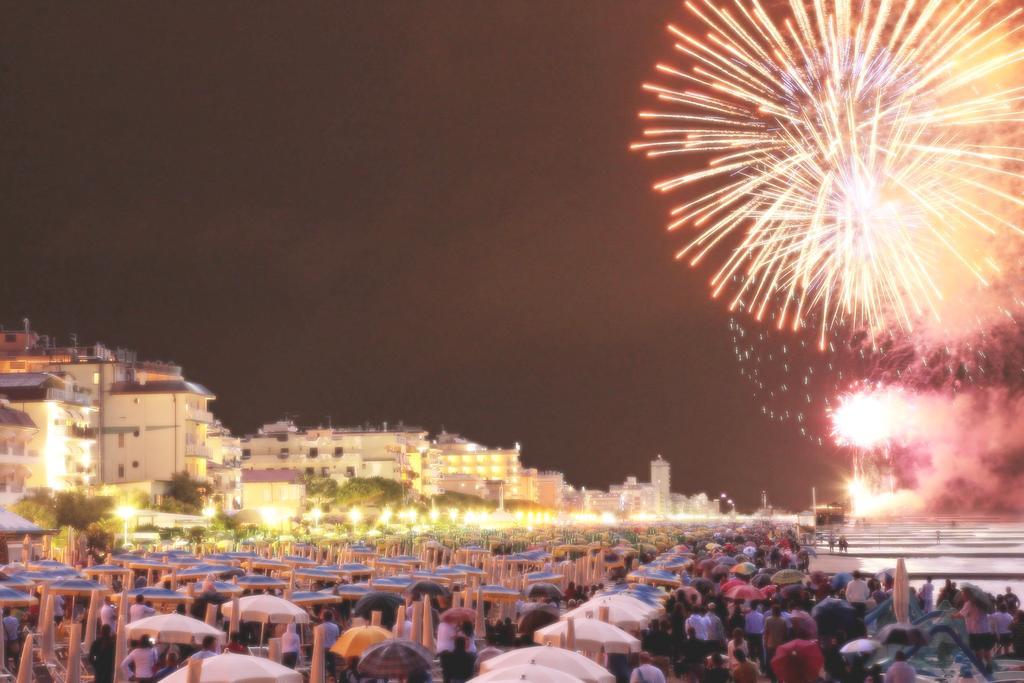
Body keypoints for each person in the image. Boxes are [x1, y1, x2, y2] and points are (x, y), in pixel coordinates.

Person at [763, 605, 788, 683]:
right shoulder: (783, 621)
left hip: (770, 644)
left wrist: (765, 642)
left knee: (771, 662)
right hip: (780, 645)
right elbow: (785, 634)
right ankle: (780, 679)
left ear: (772, 611)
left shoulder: (768, 620)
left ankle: (773, 679)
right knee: (780, 663)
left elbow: (766, 633)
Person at [744, 603, 766, 670]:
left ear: (751, 607)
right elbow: (763, 626)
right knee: (761, 652)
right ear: (756, 607)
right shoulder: (761, 616)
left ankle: (754, 668)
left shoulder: (747, 616)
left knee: (752, 652)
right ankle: (763, 668)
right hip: (759, 634)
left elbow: (747, 628)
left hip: (751, 635)